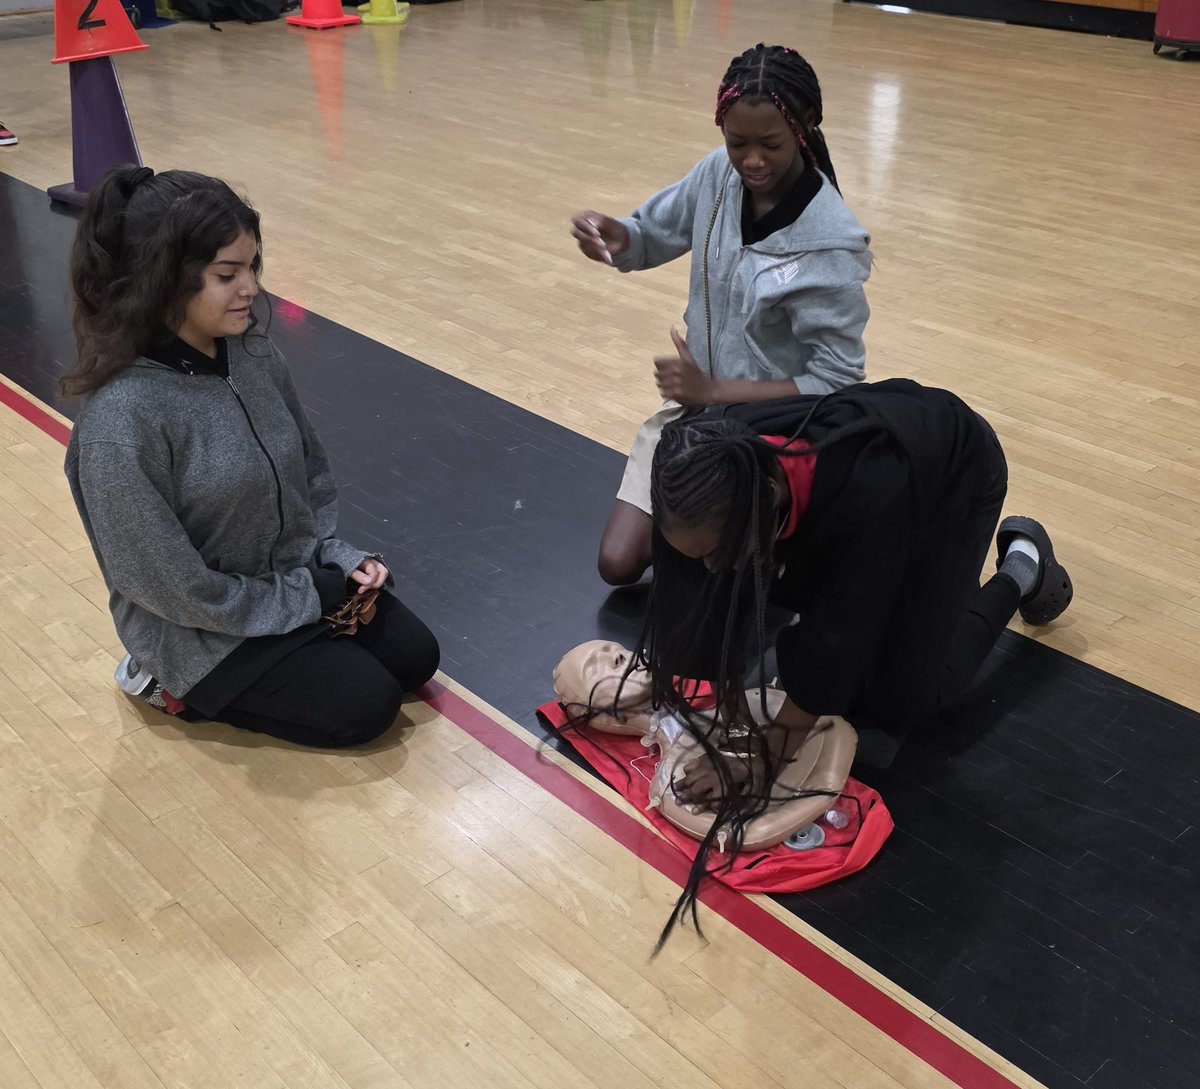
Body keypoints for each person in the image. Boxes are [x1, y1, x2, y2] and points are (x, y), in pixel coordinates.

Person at [625, 378, 1072, 941]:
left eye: (719, 549)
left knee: (904, 697)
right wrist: (669, 680)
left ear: (767, 499)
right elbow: (697, 582)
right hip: (843, 505)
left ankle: (1021, 572)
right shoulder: (697, 460)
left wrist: (760, 757)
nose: (710, 566)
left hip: (952, 475)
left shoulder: (871, 487)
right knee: (752, 590)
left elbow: (842, 633)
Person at [62, 166, 439, 748]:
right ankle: (161, 681)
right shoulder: (121, 421)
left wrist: (336, 557)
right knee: (368, 706)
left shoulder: (254, 357)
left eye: (251, 268)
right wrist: (308, 597)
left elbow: (308, 477)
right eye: (227, 274)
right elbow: (169, 587)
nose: (251, 289)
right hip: (199, 627)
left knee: (417, 658)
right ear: (165, 280)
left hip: (286, 583)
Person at [571, 43, 872, 586]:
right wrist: (621, 236)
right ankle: (739, 546)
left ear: (806, 126)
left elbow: (837, 382)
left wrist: (714, 390)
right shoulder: (717, 174)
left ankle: (773, 540)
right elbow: (650, 235)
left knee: (713, 573)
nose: (752, 160)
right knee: (616, 564)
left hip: (773, 431)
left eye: (771, 145)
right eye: (737, 143)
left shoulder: (831, 244)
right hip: (697, 411)